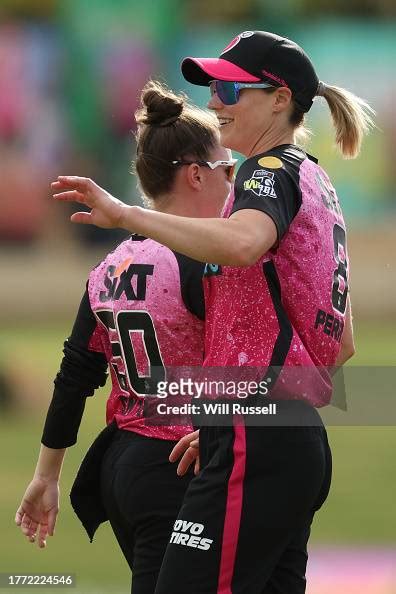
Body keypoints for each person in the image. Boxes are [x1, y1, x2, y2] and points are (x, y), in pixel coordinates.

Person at [49, 31, 374, 594]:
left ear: (279, 99)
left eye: (229, 89)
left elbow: (244, 242)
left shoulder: (265, 172)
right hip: (282, 435)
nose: (215, 104)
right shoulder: (313, 177)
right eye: (212, 89)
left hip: (259, 433)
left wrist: (127, 214)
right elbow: (340, 344)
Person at [15, 80, 235, 594]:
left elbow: (75, 375)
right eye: (228, 171)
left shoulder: (109, 267)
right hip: (179, 463)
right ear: (197, 176)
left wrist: (47, 474)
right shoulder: (209, 263)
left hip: (122, 466)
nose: (235, 185)